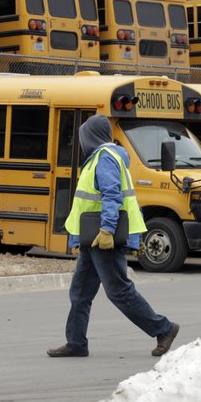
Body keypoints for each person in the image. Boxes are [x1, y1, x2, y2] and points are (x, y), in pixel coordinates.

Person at [47, 114, 179, 358]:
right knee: (80, 292)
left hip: (103, 236)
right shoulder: (102, 157)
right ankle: (76, 342)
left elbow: (112, 195)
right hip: (92, 237)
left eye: (83, 137)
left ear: (91, 137)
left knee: (119, 291)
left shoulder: (105, 158)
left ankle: (163, 328)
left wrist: (107, 229)